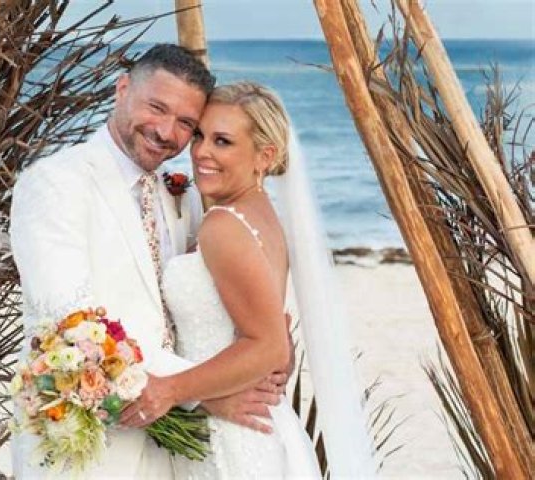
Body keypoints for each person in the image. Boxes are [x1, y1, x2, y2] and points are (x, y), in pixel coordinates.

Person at [9, 45, 289, 479]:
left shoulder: (182, 195)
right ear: (122, 89)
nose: (166, 132)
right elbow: (70, 325)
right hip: (89, 450)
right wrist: (204, 393)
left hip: (171, 449)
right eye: (157, 108)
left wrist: (266, 357)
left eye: (186, 123)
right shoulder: (56, 182)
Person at [120, 82, 378, 478]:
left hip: (232, 440)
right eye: (200, 135)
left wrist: (170, 390)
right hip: (253, 424)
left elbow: (270, 347)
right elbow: (272, 338)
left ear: (265, 156)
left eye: (223, 141)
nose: (201, 152)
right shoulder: (262, 216)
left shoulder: (223, 226)